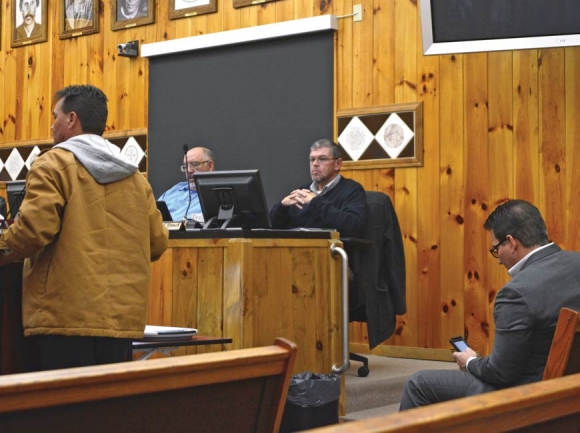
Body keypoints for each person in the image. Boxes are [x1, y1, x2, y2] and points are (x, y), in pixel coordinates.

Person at [0, 85, 168, 371]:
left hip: (63, 318)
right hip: (121, 322)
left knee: (62, 412)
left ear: (71, 119)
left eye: (55, 116)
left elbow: (31, 232)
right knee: (104, 412)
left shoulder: (52, 164)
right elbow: (157, 242)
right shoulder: (136, 179)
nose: (52, 125)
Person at [399, 199, 580, 410]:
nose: (498, 260)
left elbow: (501, 373)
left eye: (495, 250)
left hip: (532, 396)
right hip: (571, 388)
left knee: (418, 384)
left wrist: (470, 362)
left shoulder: (516, 294)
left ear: (511, 242)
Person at [269, 138, 366, 238]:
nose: (315, 164)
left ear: (337, 164)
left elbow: (353, 227)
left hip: (330, 251)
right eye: (312, 159)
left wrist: (315, 201)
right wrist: (282, 207)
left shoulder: (351, 190)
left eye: (322, 159)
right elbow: (272, 228)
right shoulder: (302, 191)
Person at [157, 147, 215, 221]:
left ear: (210, 166)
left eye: (194, 164)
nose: (189, 170)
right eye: (185, 166)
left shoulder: (219, 196)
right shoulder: (173, 191)